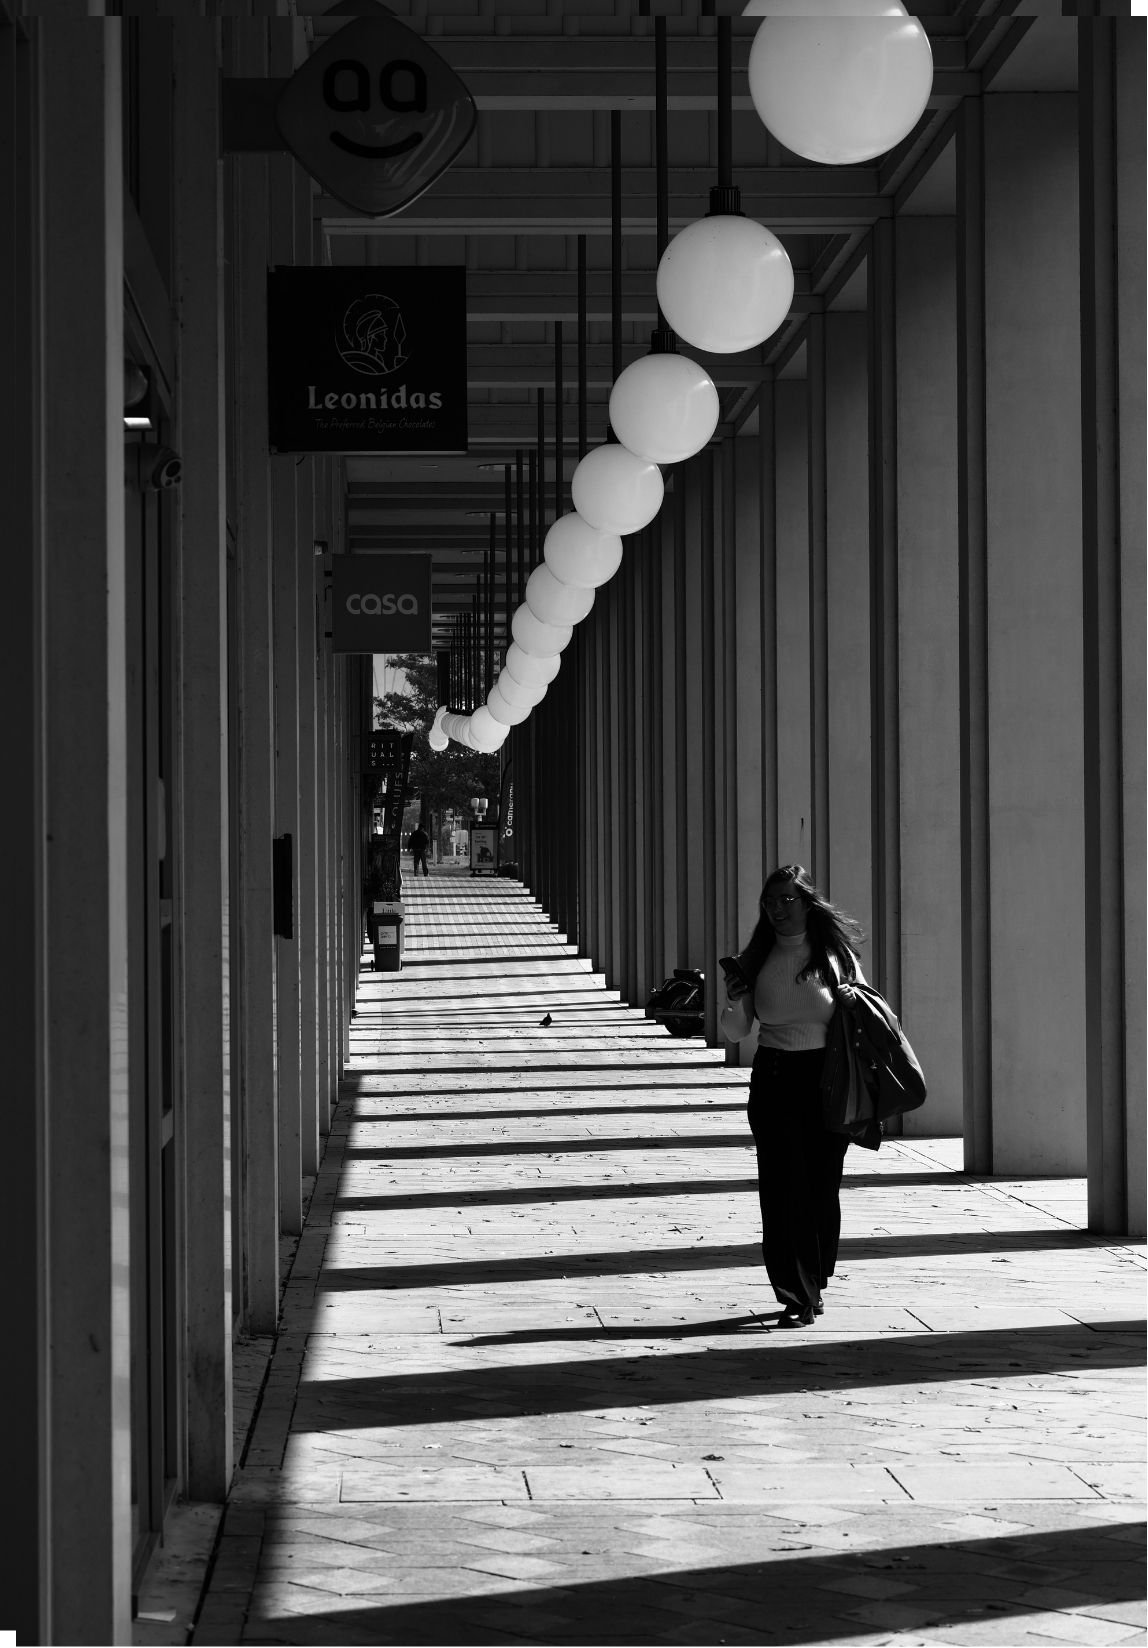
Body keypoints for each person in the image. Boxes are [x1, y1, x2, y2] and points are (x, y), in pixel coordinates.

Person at [720, 864, 865, 1328]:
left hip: (827, 1080)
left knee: (822, 1186)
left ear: (807, 902)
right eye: (770, 901)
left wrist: (849, 1001)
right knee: (782, 1189)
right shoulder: (756, 957)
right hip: (775, 1076)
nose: (778, 909)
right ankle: (794, 1291)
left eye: (787, 899)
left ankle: (816, 1280)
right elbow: (738, 1030)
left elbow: (865, 1012)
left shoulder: (833, 954)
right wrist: (731, 1000)